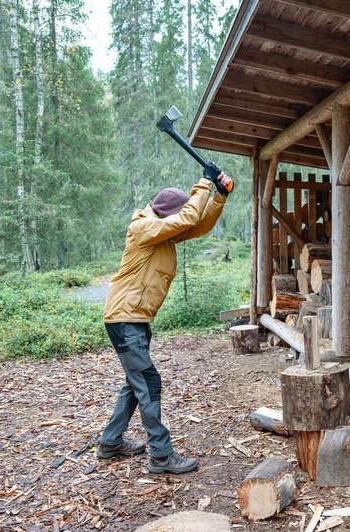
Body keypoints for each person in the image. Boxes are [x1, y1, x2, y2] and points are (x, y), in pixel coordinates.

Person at [96, 172, 232, 474]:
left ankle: (110, 442)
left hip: (134, 317)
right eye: (179, 215)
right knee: (149, 383)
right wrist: (204, 183)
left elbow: (196, 225)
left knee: (136, 384)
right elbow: (186, 219)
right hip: (124, 318)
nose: (183, 220)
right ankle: (160, 455)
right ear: (168, 214)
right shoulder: (143, 228)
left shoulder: (162, 231)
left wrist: (219, 195)